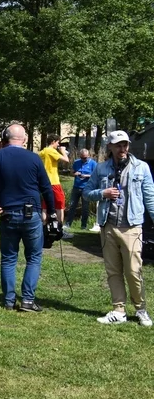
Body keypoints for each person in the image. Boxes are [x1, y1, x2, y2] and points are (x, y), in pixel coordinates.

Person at [0, 123, 55, 312]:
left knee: (9, 258)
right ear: (25, 138)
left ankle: (9, 300)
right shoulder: (34, 158)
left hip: (8, 213)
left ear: (6, 137)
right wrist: (51, 212)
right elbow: (46, 187)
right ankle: (28, 300)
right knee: (34, 257)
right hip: (31, 213)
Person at [84, 130, 154, 326]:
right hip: (108, 226)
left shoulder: (142, 168)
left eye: (125, 145)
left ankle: (141, 309)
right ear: (111, 147)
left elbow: (150, 197)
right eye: (118, 145)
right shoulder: (101, 168)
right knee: (113, 271)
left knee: (133, 271)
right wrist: (102, 193)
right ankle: (119, 310)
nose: (122, 149)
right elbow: (87, 192)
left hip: (132, 227)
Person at [38, 134, 70, 228]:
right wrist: (63, 151)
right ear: (53, 142)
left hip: (45, 182)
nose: (58, 144)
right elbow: (66, 160)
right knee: (60, 205)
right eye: (57, 142)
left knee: (45, 205)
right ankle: (60, 228)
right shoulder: (51, 151)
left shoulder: (43, 151)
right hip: (54, 181)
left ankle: (44, 226)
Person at [66, 148, 96, 230]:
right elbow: (71, 172)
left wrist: (85, 176)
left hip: (86, 188)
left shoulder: (93, 163)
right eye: (82, 157)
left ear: (89, 156)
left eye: (85, 158)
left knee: (85, 208)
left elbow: (95, 175)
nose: (84, 159)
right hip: (76, 187)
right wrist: (75, 173)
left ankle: (84, 225)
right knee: (72, 206)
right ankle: (68, 224)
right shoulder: (76, 162)